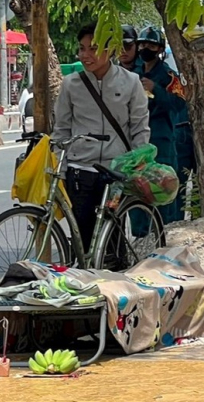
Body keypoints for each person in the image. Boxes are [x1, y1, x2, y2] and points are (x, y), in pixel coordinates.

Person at [53, 22, 150, 254]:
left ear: (111, 50)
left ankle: (117, 280)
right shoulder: (70, 84)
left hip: (116, 171)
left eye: (93, 48)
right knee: (82, 237)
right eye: (82, 48)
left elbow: (139, 127)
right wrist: (61, 169)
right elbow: (61, 129)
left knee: (113, 239)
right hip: (79, 170)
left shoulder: (131, 82)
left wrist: (137, 164)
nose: (86, 55)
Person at [135, 25, 187, 224]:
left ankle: (166, 229)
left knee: (163, 187)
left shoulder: (168, 75)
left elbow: (178, 103)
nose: (145, 49)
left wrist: (156, 89)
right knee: (139, 187)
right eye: (142, 45)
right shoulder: (135, 71)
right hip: (139, 137)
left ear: (159, 49)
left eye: (150, 45)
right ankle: (141, 233)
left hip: (161, 138)